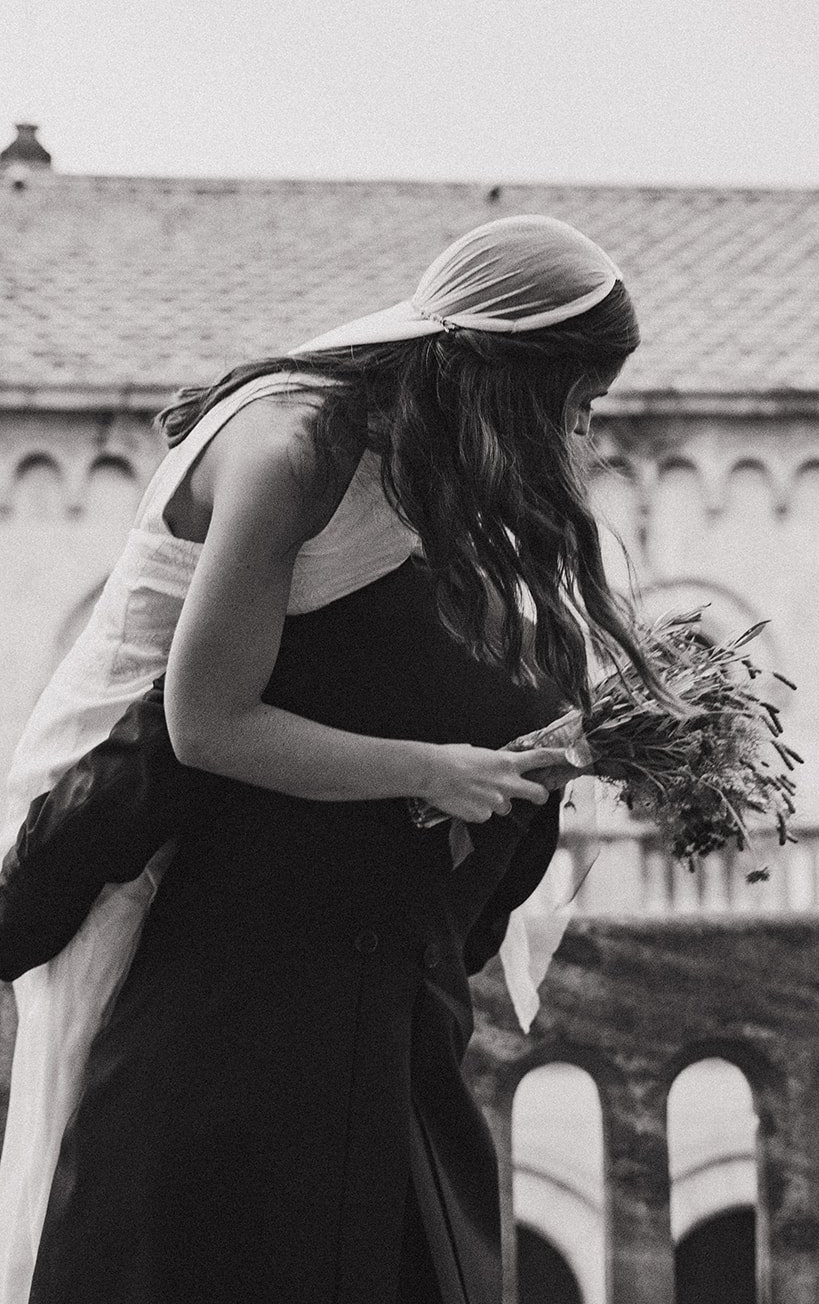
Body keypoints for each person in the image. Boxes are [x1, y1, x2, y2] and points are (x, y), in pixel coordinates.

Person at [0, 215, 664, 1304]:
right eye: (576, 405)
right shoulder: (291, 447)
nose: (581, 436)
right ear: (509, 379)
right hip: (130, 816)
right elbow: (203, 722)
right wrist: (432, 768)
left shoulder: (422, 459)